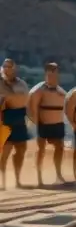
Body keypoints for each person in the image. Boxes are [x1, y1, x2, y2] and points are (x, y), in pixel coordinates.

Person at [28, 62, 67, 186]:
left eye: (55, 70)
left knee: (60, 148)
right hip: (43, 124)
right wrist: (36, 122)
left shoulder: (61, 91)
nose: (52, 72)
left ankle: (58, 174)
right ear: (46, 73)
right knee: (41, 149)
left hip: (57, 124)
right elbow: (31, 107)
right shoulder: (38, 90)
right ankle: (39, 177)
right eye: (50, 70)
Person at [0, 58, 30, 189]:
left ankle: (17, 179)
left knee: (21, 150)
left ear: (14, 68)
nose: (7, 68)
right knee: (4, 152)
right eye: (5, 66)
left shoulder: (21, 83)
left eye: (9, 66)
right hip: (5, 117)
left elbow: (25, 99)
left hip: (19, 117)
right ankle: (2, 181)